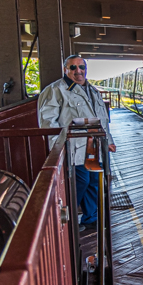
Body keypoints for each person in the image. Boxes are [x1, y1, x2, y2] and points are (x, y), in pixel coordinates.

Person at [38, 55, 116, 232]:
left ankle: (91, 218)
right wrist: (57, 149)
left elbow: (102, 120)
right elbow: (48, 123)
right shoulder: (55, 90)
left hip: (94, 146)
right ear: (66, 69)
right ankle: (69, 219)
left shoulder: (93, 91)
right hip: (73, 148)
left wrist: (109, 141)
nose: (78, 71)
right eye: (73, 68)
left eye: (81, 67)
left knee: (94, 182)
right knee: (80, 182)